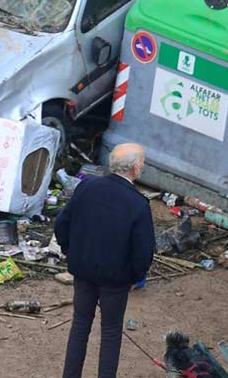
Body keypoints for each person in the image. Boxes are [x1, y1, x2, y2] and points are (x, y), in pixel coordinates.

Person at [55, 143, 155, 378]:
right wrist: (136, 276)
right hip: (115, 279)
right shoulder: (138, 204)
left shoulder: (87, 186)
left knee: (80, 325)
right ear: (135, 167)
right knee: (110, 331)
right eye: (142, 162)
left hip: (83, 270)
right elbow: (143, 252)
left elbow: (62, 224)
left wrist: (71, 252)